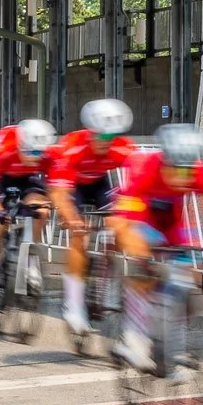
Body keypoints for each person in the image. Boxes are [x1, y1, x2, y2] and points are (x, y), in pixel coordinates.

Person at [108, 123, 203, 371]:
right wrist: (139, 252)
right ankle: (132, 337)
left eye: (188, 172)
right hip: (140, 216)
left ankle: (172, 346)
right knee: (143, 268)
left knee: (185, 278)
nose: (182, 178)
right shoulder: (144, 169)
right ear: (165, 161)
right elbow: (122, 223)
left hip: (173, 222)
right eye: (176, 170)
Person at [49, 99, 137, 335]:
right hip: (73, 185)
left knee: (118, 225)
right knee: (80, 235)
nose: (105, 143)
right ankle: (74, 306)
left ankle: (107, 277)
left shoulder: (122, 146)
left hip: (99, 183)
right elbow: (59, 193)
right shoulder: (72, 146)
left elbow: (139, 180)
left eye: (111, 138)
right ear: (90, 131)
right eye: (100, 137)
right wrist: (70, 217)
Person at [0, 118, 57, 319]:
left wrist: (55, 204)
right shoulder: (4, 150)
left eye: (40, 153)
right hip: (4, 179)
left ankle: (31, 258)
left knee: (41, 211)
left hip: (30, 179)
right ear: (21, 146)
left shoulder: (46, 156)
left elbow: (56, 188)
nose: (35, 157)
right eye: (31, 152)